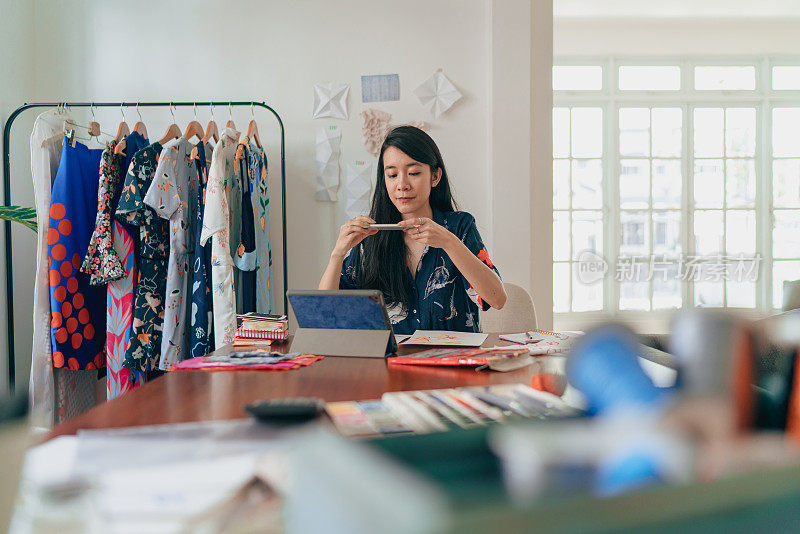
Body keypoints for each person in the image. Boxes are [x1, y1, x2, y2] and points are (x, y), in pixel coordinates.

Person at [318, 126, 506, 334]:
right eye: (392, 175)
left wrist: (448, 242)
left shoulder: (459, 227)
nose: (402, 184)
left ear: (435, 177)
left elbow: (496, 299)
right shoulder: (371, 236)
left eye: (414, 173)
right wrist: (337, 253)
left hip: (451, 363)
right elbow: (324, 316)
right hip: (389, 364)